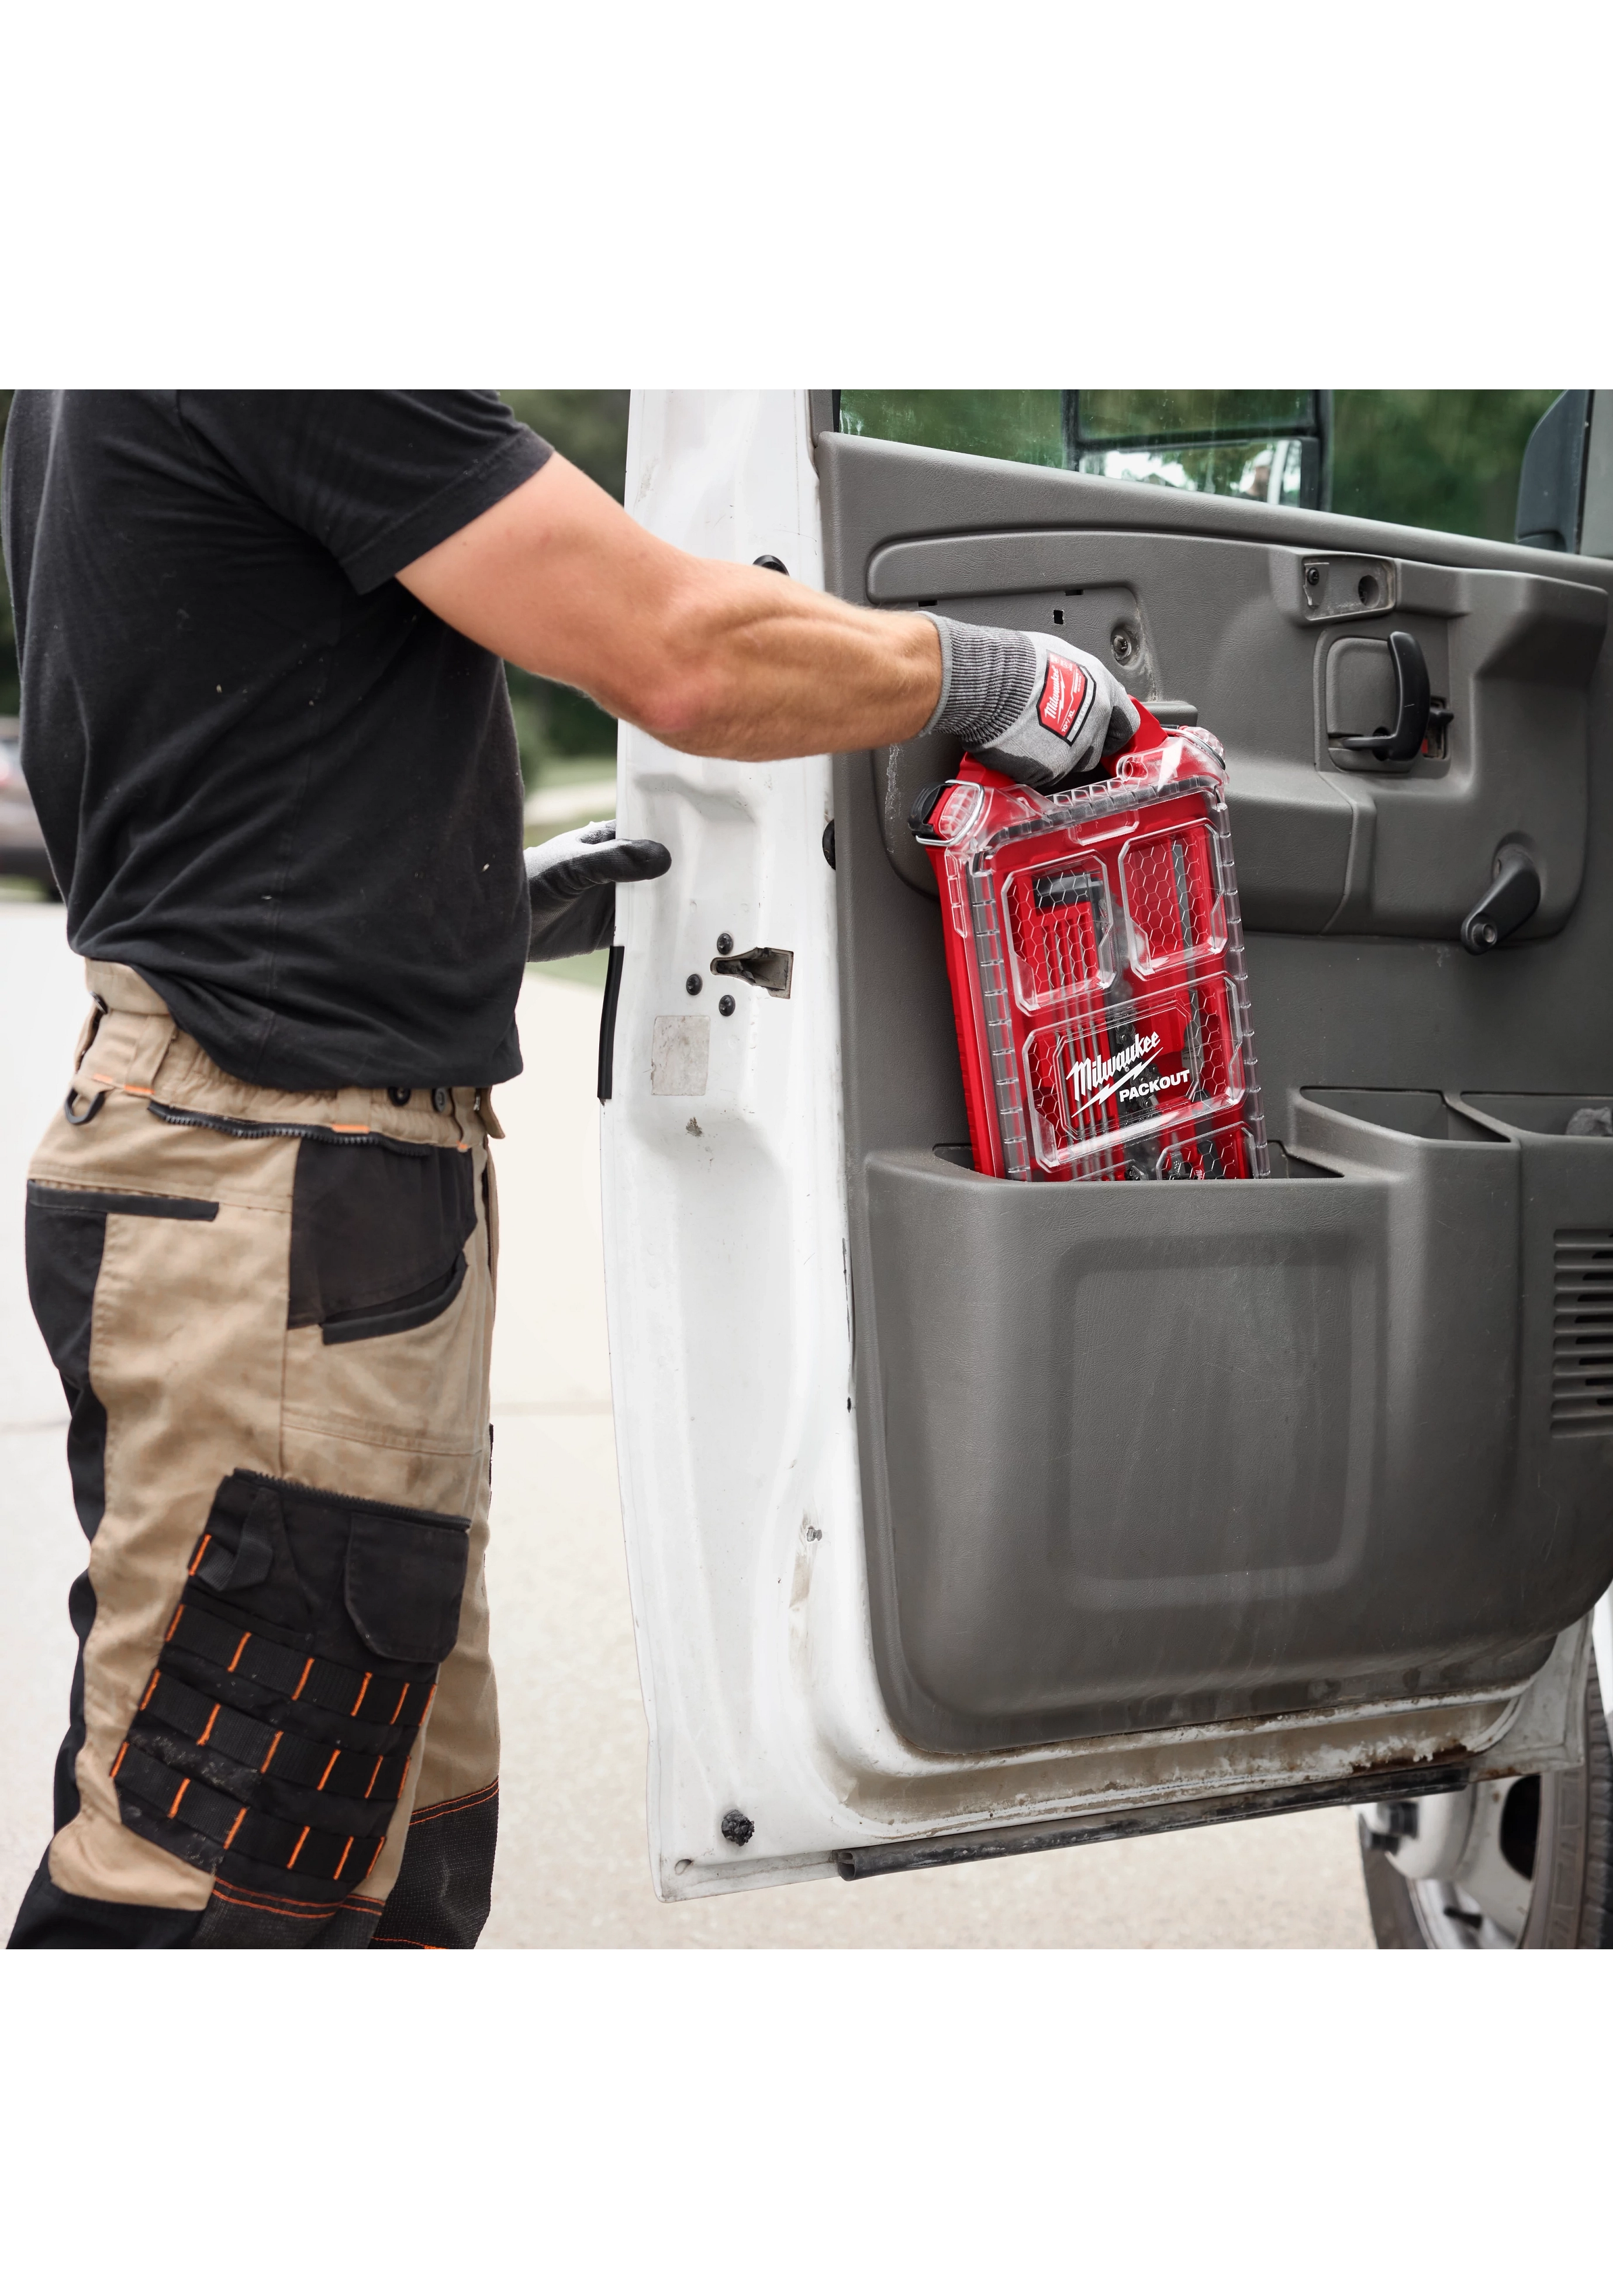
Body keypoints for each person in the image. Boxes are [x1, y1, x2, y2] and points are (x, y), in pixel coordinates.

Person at [1, 388, 1136, 1950]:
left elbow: (193, 714)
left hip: (281, 1175)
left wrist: (435, 907)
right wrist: (989, 671)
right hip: (276, 1185)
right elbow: (683, 648)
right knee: (217, 1890)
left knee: (389, 1865)